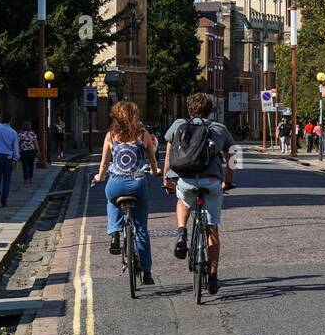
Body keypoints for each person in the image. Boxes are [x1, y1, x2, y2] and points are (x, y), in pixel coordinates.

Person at [164, 93, 237, 296]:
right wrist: (228, 180)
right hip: (212, 181)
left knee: (182, 200)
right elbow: (233, 154)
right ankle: (213, 276)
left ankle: (181, 232)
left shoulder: (179, 125)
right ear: (209, 110)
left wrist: (166, 178)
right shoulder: (219, 129)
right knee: (212, 228)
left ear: (189, 109)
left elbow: (170, 152)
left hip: (186, 180)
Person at [93, 101, 160, 284]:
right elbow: (152, 160)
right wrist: (155, 172)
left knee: (111, 200)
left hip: (116, 183)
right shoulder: (142, 133)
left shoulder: (111, 135)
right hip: (138, 183)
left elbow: (105, 163)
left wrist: (99, 177)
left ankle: (115, 231)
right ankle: (147, 273)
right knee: (141, 230)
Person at [0, 112, 20, 207]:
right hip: (8, 157)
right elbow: (15, 147)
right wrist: (16, 159)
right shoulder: (13, 132)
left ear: (1, 119)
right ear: (10, 120)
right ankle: (4, 201)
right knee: (7, 179)